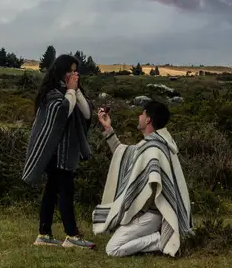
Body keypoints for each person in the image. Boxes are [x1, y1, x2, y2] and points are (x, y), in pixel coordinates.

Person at [93, 100, 193, 257]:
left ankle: (161, 240)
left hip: (152, 215)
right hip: (149, 214)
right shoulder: (155, 145)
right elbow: (124, 154)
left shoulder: (153, 149)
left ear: (148, 120)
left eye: (142, 113)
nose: (139, 116)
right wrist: (108, 129)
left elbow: (152, 182)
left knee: (112, 249)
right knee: (117, 238)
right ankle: (159, 235)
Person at [22, 54, 96, 249]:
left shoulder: (69, 91)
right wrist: (71, 91)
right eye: (69, 71)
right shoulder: (51, 94)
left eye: (75, 71)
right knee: (65, 191)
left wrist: (75, 91)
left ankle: (44, 234)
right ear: (60, 72)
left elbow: (87, 113)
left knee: (52, 191)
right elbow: (63, 112)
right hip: (55, 153)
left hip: (66, 152)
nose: (73, 75)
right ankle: (71, 235)